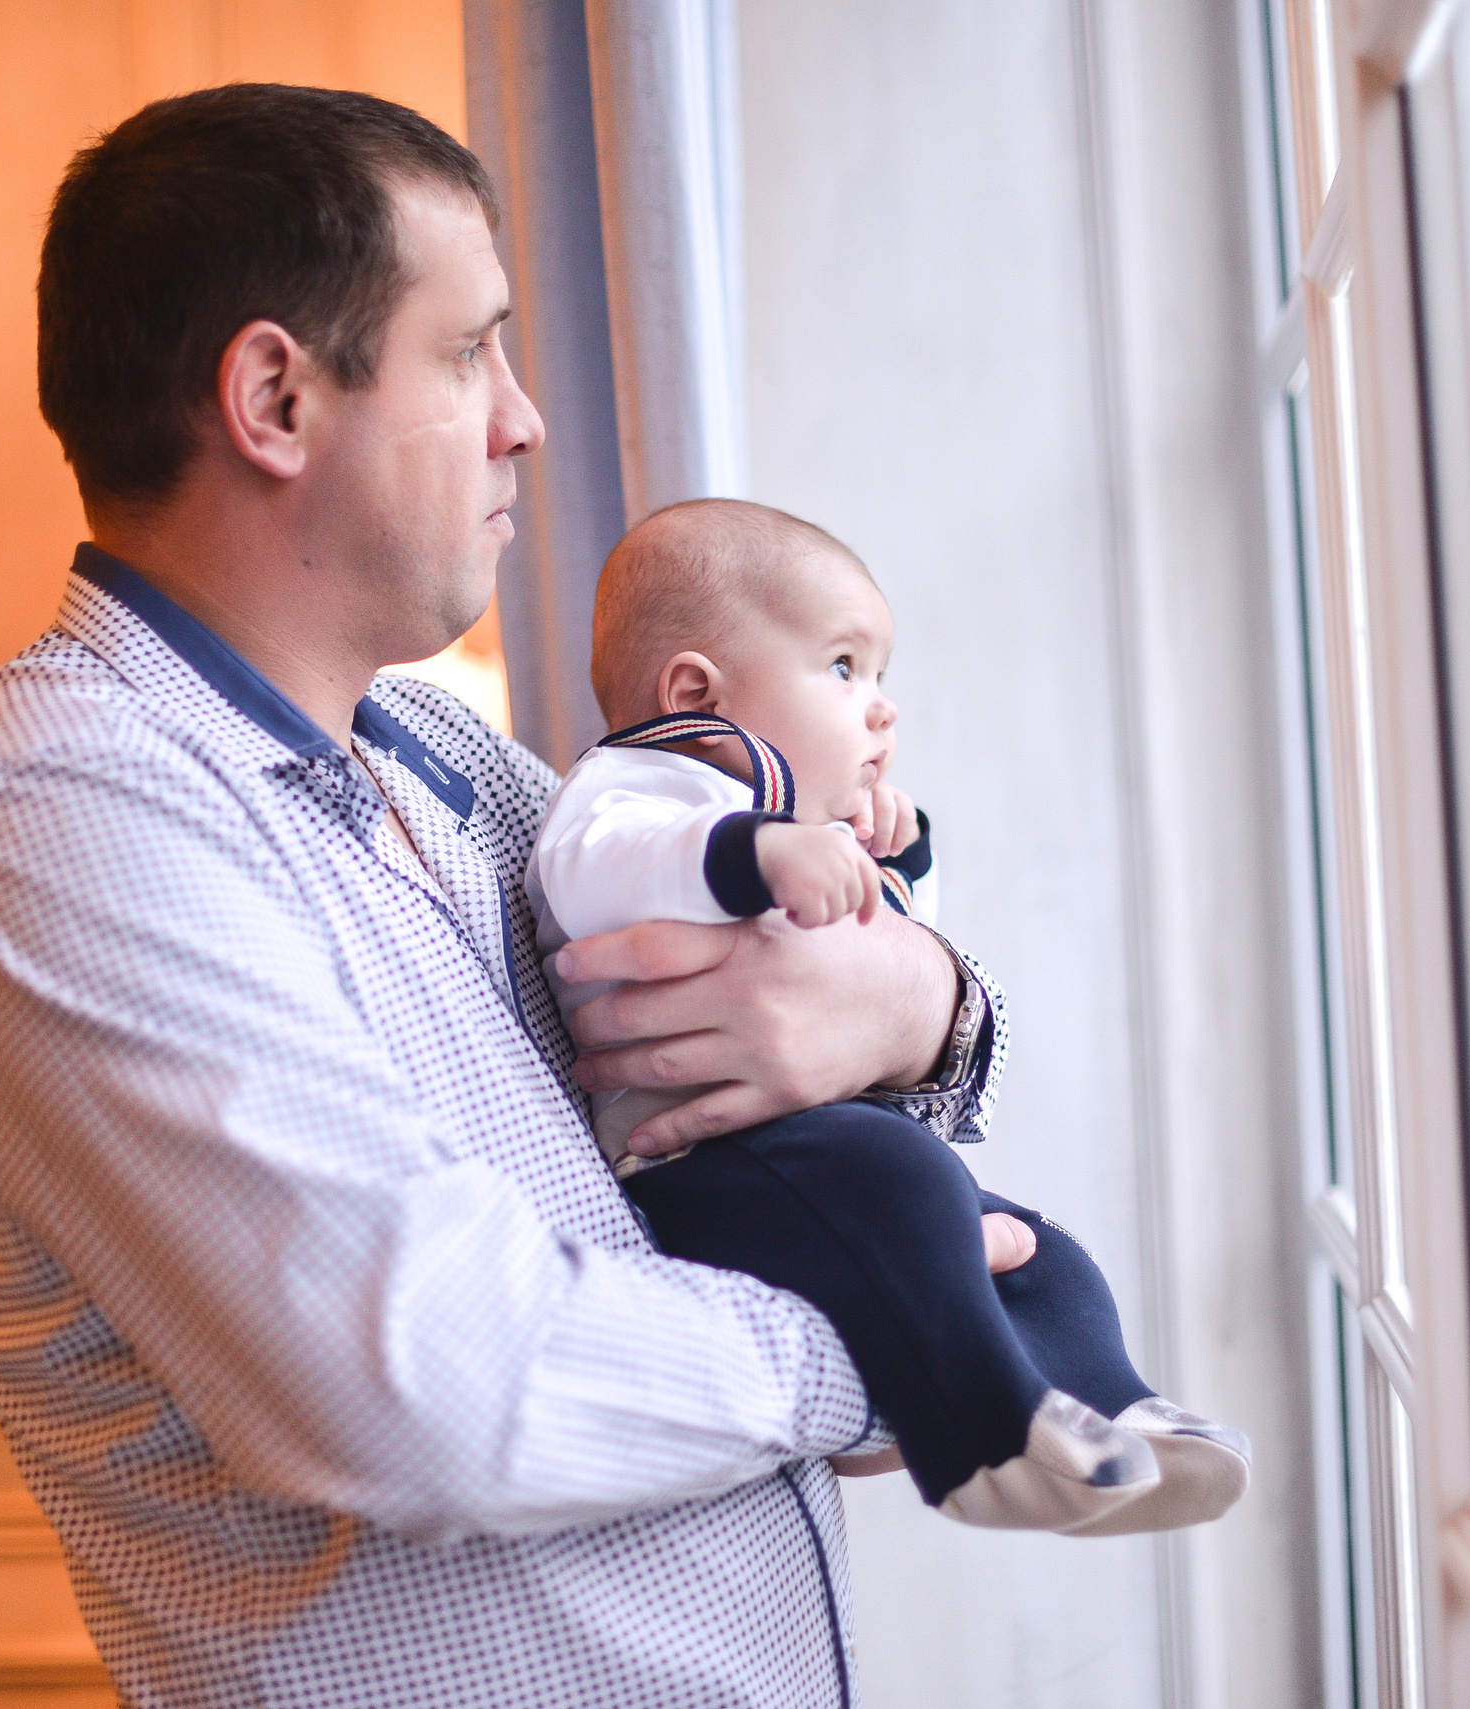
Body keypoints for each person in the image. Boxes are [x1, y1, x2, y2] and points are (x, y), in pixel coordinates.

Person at [0, 87, 1012, 1708]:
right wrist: (910, 1332)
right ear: (275, 394)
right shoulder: (58, 820)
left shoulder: (450, 766)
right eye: (469, 351)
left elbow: (790, 1065)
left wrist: (928, 1003)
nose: (525, 421)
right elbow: (448, 1385)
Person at [527, 496, 1252, 1533]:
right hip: (694, 1172)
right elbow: (599, 874)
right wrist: (758, 854)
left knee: (1028, 1242)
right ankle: (985, 1441)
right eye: (842, 668)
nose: (881, 709)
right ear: (695, 692)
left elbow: (882, 958)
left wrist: (897, 868)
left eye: (880, 677)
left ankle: (1120, 1404)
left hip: (812, 1143)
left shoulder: (790, 819)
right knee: (911, 1185)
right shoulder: (626, 790)